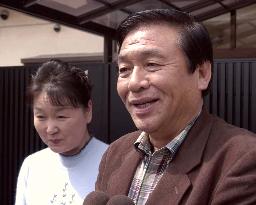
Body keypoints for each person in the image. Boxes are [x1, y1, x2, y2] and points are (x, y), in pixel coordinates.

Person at [95, 9, 256, 205]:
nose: (134, 83)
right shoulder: (115, 153)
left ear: (202, 74)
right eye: (124, 69)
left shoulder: (243, 158)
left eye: (152, 64)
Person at [15, 59, 108, 205]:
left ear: (88, 110)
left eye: (61, 116)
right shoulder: (32, 166)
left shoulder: (112, 163)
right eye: (41, 116)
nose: (51, 129)